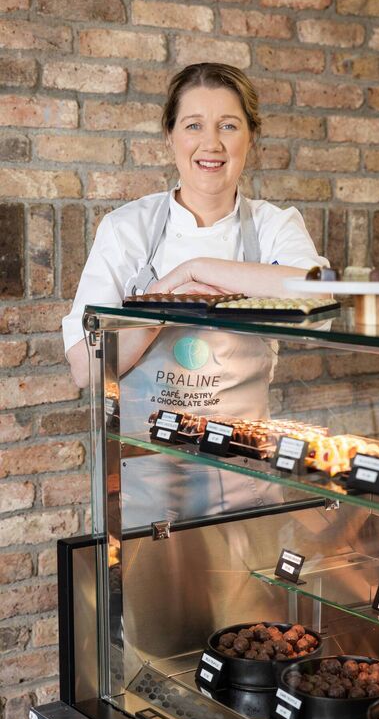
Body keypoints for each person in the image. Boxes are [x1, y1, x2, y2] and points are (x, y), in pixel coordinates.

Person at [63, 62, 328, 526]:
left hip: (243, 480)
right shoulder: (128, 229)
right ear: (170, 137)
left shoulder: (274, 225)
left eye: (229, 125)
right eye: (193, 126)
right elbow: (86, 368)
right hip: (144, 479)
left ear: (250, 138)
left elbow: (319, 296)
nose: (212, 144)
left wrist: (198, 268)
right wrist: (166, 293)